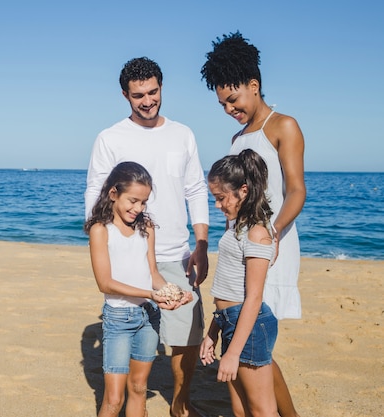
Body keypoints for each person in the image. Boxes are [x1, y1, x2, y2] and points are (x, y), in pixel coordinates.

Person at [85, 57, 209, 417]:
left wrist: (201, 245)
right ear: (125, 95)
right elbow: (95, 191)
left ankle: (179, 404)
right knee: (130, 375)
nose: (147, 100)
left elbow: (196, 188)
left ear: (161, 88)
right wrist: (106, 243)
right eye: (138, 95)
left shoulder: (183, 134)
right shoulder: (110, 138)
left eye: (153, 92)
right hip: (131, 258)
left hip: (177, 251)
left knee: (186, 335)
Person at [201, 31, 306, 417]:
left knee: (257, 343)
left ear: (254, 85)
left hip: (271, 245)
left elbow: (296, 191)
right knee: (252, 345)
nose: (229, 108)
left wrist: (274, 234)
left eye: (234, 99)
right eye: (222, 103)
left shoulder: (284, 126)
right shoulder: (236, 137)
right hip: (240, 247)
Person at [84, 161, 192, 417]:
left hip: (148, 317)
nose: (138, 208)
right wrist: (149, 294)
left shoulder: (146, 228)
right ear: (113, 193)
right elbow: (105, 283)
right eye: (132, 200)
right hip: (118, 319)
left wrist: (172, 292)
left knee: (139, 387)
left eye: (143, 202)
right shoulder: (101, 230)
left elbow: (153, 274)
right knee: (113, 400)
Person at [200, 149, 279, 417]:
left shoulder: (257, 233)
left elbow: (253, 297)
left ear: (243, 191)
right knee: (239, 407)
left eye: (221, 198)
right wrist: (214, 329)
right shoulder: (237, 227)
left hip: (250, 324)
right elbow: (227, 285)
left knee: (261, 410)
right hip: (230, 319)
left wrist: (232, 354)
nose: (217, 205)